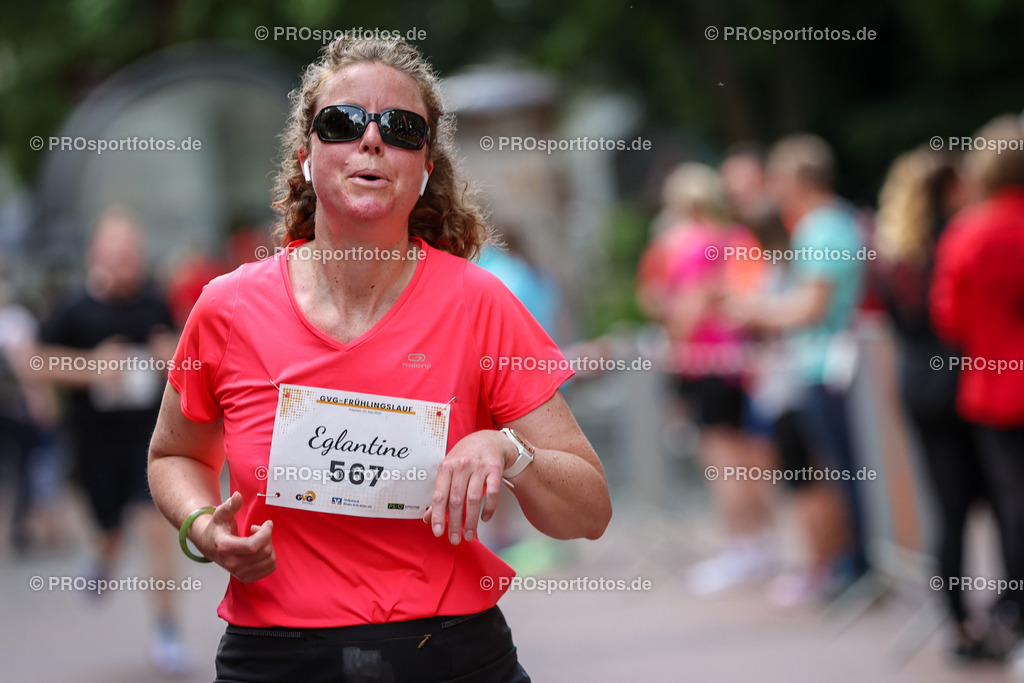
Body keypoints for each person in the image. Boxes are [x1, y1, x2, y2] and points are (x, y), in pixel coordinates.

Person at [148, 37, 611, 683]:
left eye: (400, 128)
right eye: (340, 123)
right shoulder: (226, 308)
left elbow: (588, 510)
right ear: (306, 155)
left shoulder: (480, 303)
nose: (370, 140)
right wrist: (202, 525)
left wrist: (509, 451)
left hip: (448, 655)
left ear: (425, 168)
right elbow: (175, 454)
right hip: (273, 657)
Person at [39, 207, 191, 675]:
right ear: (94, 255)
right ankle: (102, 558)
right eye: (115, 251)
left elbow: (185, 351)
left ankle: (166, 633)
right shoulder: (73, 308)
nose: (125, 260)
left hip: (148, 444)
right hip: (93, 445)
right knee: (110, 533)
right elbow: (35, 361)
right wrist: (89, 367)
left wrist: (175, 354)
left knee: (156, 529)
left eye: (132, 251)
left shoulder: (154, 302)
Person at [730, 134, 869, 602]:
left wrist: (756, 311)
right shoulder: (833, 221)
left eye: (780, 179)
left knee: (838, 472)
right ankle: (851, 563)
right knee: (837, 471)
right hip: (826, 365)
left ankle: (856, 566)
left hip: (825, 366)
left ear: (798, 179)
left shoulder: (821, 226)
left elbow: (813, 305)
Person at [874, 146, 990, 658]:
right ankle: (1006, 612)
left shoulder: (894, 252)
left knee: (949, 510)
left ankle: (958, 624)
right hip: (966, 380)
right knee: (1003, 500)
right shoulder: (960, 239)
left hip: (918, 384)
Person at [643, 162, 775, 595]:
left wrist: (674, 325)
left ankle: (741, 550)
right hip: (741, 362)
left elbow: (680, 311)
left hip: (703, 363)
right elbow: (754, 297)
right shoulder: (738, 238)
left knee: (723, 461)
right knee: (748, 459)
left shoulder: (685, 245)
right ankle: (761, 544)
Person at [931, 114, 1024, 679]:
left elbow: (950, 317)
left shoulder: (969, 230)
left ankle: (1014, 619)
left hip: (995, 391)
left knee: (1013, 510)